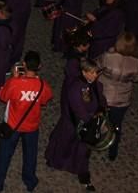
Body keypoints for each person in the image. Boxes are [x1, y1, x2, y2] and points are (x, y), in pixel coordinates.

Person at [0, 51, 53, 192]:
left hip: (13, 125)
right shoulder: (43, 86)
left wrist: (13, 77)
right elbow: (45, 99)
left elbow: (3, 96)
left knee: (5, 155)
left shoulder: (15, 83)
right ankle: (30, 181)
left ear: (24, 64)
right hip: (31, 127)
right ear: (40, 66)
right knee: (30, 156)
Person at [45, 58, 105, 192]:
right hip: (73, 123)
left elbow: (100, 98)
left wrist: (102, 108)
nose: (95, 75)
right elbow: (78, 108)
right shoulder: (76, 88)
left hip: (88, 123)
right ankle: (56, 161)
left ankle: (83, 175)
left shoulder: (95, 84)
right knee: (64, 143)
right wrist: (91, 117)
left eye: (96, 72)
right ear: (84, 72)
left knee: (83, 150)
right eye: (92, 72)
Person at [95, 32, 138, 160]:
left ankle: (93, 141)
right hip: (122, 99)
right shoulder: (137, 62)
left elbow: (97, 66)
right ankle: (113, 151)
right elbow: (137, 79)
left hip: (104, 95)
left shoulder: (108, 57)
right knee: (116, 125)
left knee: (97, 120)